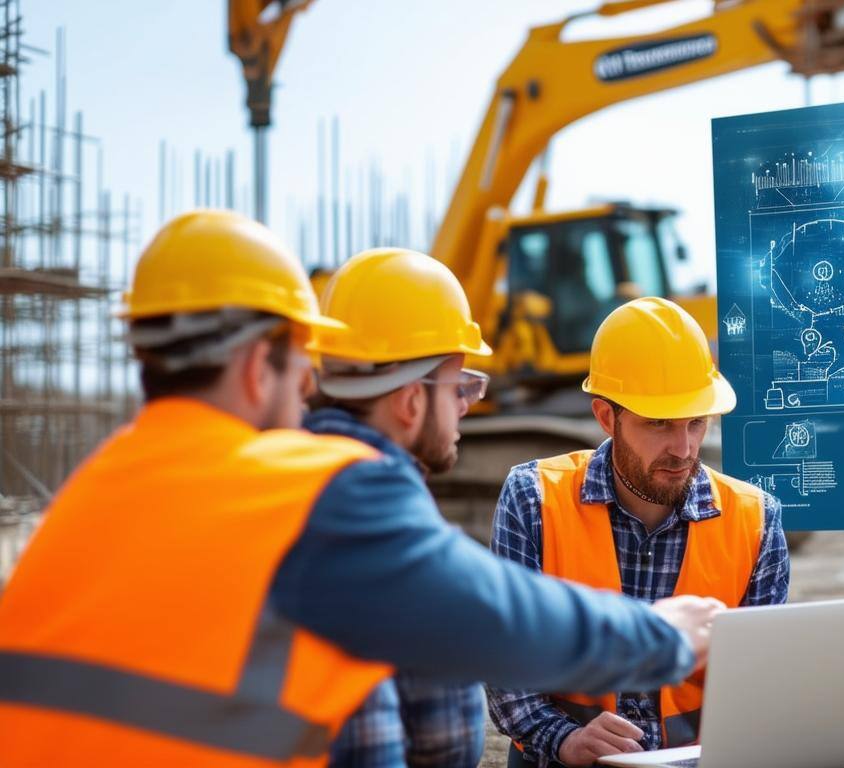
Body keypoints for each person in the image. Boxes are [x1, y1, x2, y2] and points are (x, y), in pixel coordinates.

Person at [0, 210, 722, 767]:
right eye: (298, 368)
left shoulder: (96, 486)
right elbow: (492, 620)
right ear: (260, 368)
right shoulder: (309, 492)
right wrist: (663, 635)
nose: (306, 393)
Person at [489, 297, 790, 768]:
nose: (684, 448)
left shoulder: (755, 518)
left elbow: (762, 679)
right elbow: (505, 659)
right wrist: (564, 739)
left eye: (696, 422)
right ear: (607, 417)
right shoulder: (534, 498)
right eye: (659, 424)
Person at [304, 248, 493, 767]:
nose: (466, 406)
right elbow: (446, 742)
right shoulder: (388, 524)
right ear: (411, 401)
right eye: (462, 386)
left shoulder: (284, 484)